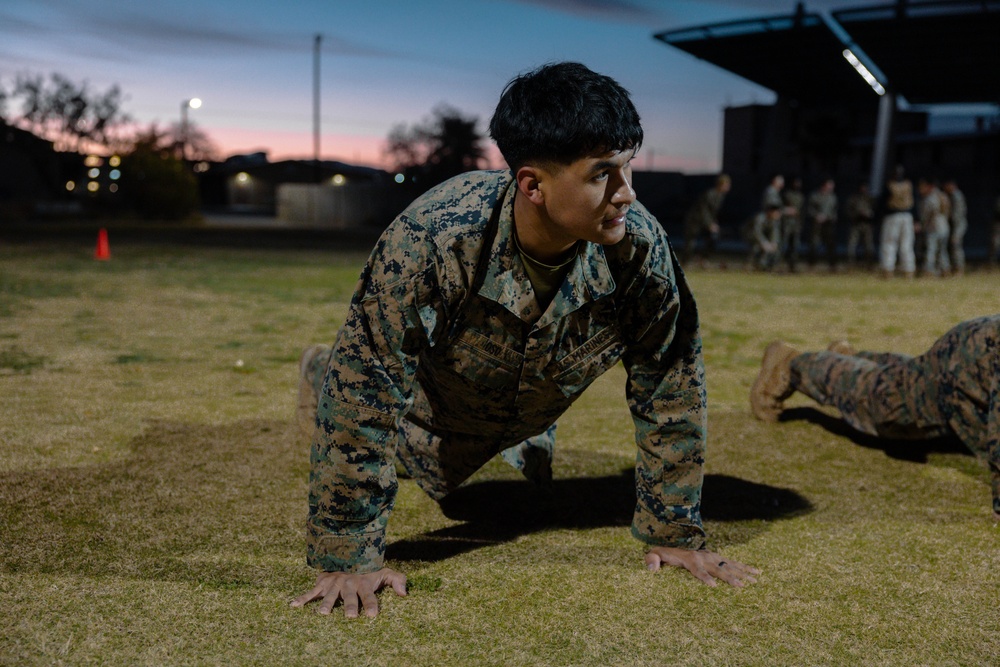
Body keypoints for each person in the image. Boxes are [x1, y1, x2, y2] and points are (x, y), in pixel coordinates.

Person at [291, 62, 758, 619]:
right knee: (411, 448)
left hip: (528, 413)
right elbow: (368, 383)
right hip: (433, 407)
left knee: (505, 494)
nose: (626, 194)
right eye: (601, 174)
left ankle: (508, 442)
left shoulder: (640, 252)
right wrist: (349, 551)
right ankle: (320, 370)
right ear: (533, 185)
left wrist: (675, 529)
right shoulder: (434, 237)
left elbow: (672, 384)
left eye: (627, 169)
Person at [749, 315, 999, 520]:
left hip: (981, 358)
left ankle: (850, 360)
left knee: (910, 380)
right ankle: (792, 365)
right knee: (888, 406)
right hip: (964, 366)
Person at [682, 173, 731, 266]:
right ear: (721, 184)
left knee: (713, 238)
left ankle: (702, 259)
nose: (728, 187)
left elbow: (712, 212)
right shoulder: (710, 194)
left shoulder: (720, 196)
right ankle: (685, 262)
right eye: (727, 184)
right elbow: (703, 210)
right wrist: (709, 224)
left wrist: (714, 223)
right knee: (691, 241)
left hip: (705, 220)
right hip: (695, 220)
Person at [879, 165, 916, 279]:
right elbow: (915, 202)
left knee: (889, 243)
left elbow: (882, 203)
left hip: (892, 216)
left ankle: (888, 270)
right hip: (907, 216)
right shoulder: (908, 185)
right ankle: (908, 270)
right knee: (907, 244)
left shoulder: (889, 185)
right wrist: (917, 219)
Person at [916, 178, 951, 277]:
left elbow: (926, 214)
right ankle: (945, 269)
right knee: (942, 250)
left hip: (934, 226)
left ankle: (928, 271)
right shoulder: (943, 195)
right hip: (944, 226)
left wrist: (923, 225)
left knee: (931, 250)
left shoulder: (930, 198)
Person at [806, 178, 838, 271]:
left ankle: (832, 265)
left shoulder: (832, 197)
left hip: (828, 225)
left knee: (830, 244)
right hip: (816, 224)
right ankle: (811, 264)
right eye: (829, 185)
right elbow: (809, 209)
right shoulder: (815, 196)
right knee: (814, 244)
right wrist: (816, 216)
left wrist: (828, 217)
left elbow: (834, 212)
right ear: (824, 185)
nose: (831, 187)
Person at [845, 182, 876, 269]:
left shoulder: (870, 199)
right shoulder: (854, 199)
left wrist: (869, 215)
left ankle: (869, 264)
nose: (864, 190)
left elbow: (876, 211)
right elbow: (848, 211)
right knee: (852, 245)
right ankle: (851, 263)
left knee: (869, 245)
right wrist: (857, 214)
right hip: (856, 223)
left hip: (867, 224)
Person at [942, 179, 967, 276]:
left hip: (958, 225)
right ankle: (954, 268)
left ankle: (959, 269)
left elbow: (957, 215)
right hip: (955, 225)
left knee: (956, 245)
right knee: (952, 247)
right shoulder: (951, 195)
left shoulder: (956, 195)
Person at [747, 203, 782, 271]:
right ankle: (751, 264)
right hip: (750, 235)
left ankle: (769, 266)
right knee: (756, 248)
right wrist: (764, 243)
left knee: (775, 249)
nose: (778, 215)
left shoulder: (774, 220)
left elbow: (775, 233)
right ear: (770, 212)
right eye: (776, 213)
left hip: (764, 237)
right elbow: (756, 232)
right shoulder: (760, 218)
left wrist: (774, 243)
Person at [781, 177, 804, 272]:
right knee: (783, 243)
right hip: (787, 222)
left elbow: (802, 211)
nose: (797, 185)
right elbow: (780, 207)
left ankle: (792, 264)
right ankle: (778, 263)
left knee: (795, 245)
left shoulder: (801, 196)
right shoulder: (786, 194)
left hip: (796, 223)